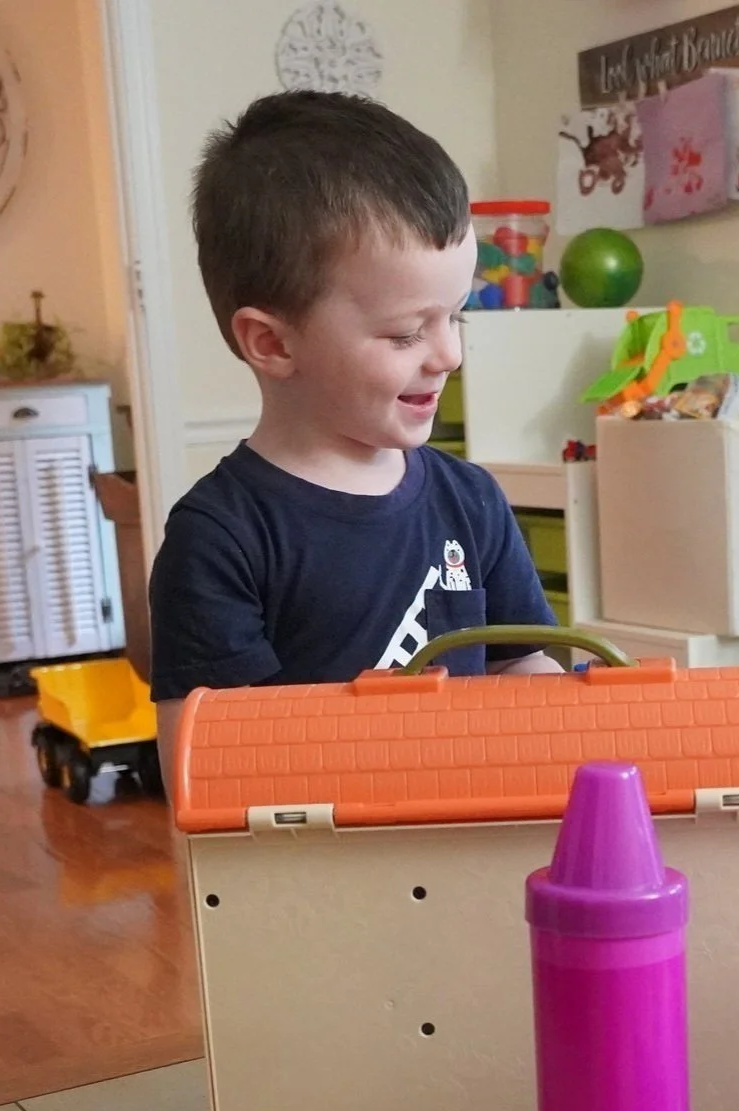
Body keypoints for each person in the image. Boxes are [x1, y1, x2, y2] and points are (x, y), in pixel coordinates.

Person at [148, 92, 559, 769]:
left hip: (474, 851)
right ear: (272, 344)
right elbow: (209, 773)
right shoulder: (220, 540)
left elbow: (522, 668)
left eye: (455, 316)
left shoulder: (472, 501)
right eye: (405, 333)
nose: (449, 354)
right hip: (322, 870)